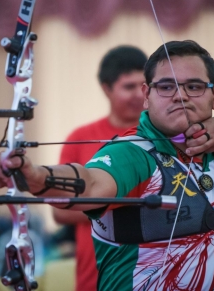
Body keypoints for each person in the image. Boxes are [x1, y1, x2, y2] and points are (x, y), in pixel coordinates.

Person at [0, 40, 214, 290]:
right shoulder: (134, 153)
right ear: (147, 95)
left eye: (194, 86)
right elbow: (92, 182)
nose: (180, 96)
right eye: (166, 86)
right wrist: (32, 176)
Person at [53, 45, 147, 291]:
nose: (139, 94)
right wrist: (125, 204)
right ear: (107, 89)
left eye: (144, 86)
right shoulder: (80, 137)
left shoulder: (165, 137)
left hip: (155, 271)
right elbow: (59, 211)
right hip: (95, 275)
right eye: (129, 86)